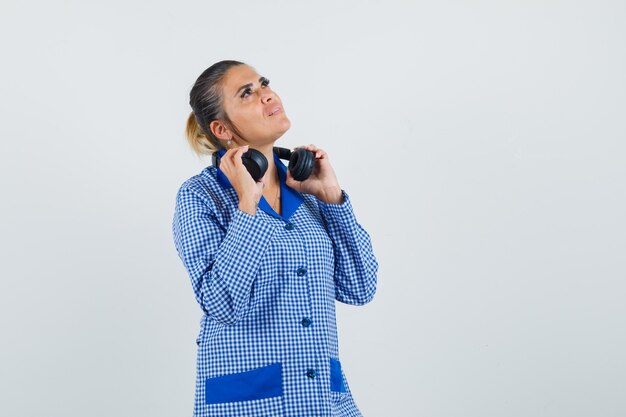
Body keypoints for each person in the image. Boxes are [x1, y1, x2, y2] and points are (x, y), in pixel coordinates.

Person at [172, 60, 379, 417]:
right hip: (249, 404)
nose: (267, 94)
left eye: (263, 83)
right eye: (247, 93)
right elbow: (222, 304)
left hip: (324, 402)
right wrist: (247, 205)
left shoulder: (307, 189)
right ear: (222, 129)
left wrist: (332, 200)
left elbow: (360, 287)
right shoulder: (200, 196)